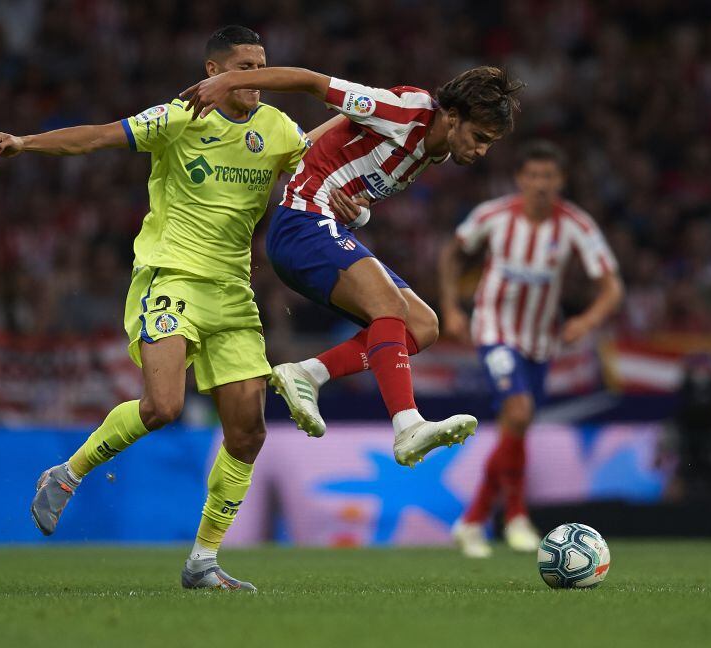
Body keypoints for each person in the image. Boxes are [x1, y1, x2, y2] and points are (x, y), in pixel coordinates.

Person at [0, 26, 364, 591]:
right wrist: (25, 143)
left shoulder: (278, 130)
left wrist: (342, 197)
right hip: (171, 276)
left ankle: (203, 560)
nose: (255, 76)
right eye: (244, 66)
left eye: (262, 65)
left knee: (248, 431)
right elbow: (101, 137)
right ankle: (67, 473)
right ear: (214, 72)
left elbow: (313, 177)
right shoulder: (181, 117)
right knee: (162, 405)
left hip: (232, 291)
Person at [181, 65, 523, 466]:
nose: (482, 151)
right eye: (479, 137)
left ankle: (309, 373)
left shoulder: (435, 150)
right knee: (389, 306)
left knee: (423, 326)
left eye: (490, 143)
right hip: (301, 223)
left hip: (322, 228)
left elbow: (351, 165)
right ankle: (407, 424)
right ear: (451, 116)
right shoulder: (402, 110)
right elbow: (313, 83)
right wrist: (231, 81)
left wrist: (358, 214)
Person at [439, 140, 623, 557]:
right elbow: (452, 252)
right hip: (494, 330)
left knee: (515, 426)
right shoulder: (493, 215)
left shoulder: (575, 224)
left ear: (561, 181)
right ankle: (515, 515)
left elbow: (611, 287)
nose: (541, 184)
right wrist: (450, 308)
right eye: (534, 176)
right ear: (520, 178)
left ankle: (472, 521)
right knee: (519, 412)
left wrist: (587, 320)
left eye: (549, 176)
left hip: (541, 342)